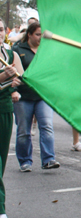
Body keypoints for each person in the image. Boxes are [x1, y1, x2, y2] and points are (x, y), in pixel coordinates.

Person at [12, 21, 60, 172]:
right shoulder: (18, 49)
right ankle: (25, 161)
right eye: (38, 34)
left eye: (42, 35)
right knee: (24, 131)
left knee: (46, 126)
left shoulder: (46, 50)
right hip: (23, 96)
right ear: (29, 35)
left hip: (42, 96)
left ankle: (48, 159)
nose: (40, 38)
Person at [0, 19, 24, 218]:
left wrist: (15, 86)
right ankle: (1, 211)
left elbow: (22, 77)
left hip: (5, 111)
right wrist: (2, 79)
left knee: (1, 161)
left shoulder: (10, 54)